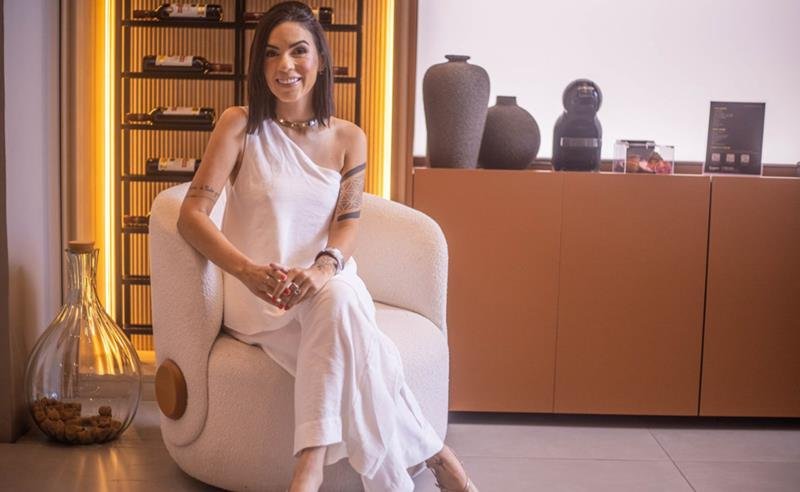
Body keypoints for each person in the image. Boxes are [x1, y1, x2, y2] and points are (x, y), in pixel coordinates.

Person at [176, 2, 477, 491]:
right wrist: (248, 272)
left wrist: (322, 268)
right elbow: (191, 215)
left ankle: (308, 468)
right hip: (259, 295)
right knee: (357, 337)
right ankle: (435, 452)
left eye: (298, 51)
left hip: (325, 279)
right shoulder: (239, 125)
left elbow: (347, 224)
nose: (285, 66)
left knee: (337, 300)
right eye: (271, 53)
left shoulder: (349, 138)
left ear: (320, 59)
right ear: (259, 64)